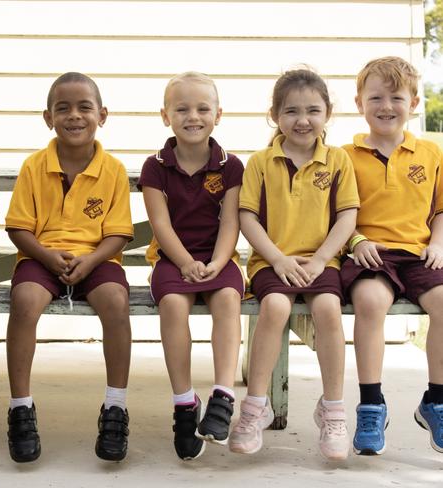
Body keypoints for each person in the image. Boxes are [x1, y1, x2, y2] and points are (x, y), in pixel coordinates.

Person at [229, 69, 359, 460]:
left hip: (323, 261)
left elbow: (347, 217)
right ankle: (255, 407)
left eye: (313, 110)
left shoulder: (338, 161)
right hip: (273, 260)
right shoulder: (261, 162)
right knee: (275, 307)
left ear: (328, 113)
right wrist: (278, 258)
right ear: (275, 115)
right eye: (291, 111)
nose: (303, 120)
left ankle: (333, 409)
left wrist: (321, 260)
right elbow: (247, 218)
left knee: (328, 310)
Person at [5, 72, 134, 463]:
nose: (74, 116)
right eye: (63, 109)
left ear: (103, 115)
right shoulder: (33, 166)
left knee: (115, 301)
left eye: (84, 107)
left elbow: (119, 233)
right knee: (25, 301)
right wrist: (46, 256)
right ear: (48, 117)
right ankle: (20, 408)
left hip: (96, 258)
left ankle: (116, 407)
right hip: (40, 257)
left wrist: (92, 259)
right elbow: (18, 227)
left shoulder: (113, 170)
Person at [138, 71, 244, 460]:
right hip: (172, 258)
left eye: (203, 108)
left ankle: (223, 395)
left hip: (219, 257)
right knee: (172, 306)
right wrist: (184, 263)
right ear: (165, 115)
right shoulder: (155, 167)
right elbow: (160, 224)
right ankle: (184, 402)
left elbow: (231, 221)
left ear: (219, 114)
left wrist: (217, 262)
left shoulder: (231, 166)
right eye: (181, 108)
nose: (192, 116)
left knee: (228, 301)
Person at [341, 56, 443, 455]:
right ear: (359, 102)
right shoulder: (344, 157)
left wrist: (437, 245)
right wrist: (357, 241)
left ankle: (435, 400)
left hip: (419, 252)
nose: (386, 106)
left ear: (414, 102)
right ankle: (371, 403)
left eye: (396, 97)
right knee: (369, 302)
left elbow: (439, 210)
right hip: (370, 254)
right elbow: (335, 214)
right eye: (376, 97)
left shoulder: (431, 154)